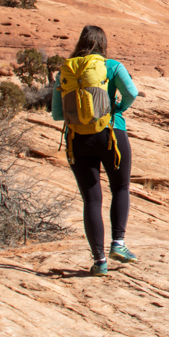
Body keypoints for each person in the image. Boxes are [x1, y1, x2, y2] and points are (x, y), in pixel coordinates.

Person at [52, 26, 139, 277]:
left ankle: (99, 261)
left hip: (77, 140)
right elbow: (132, 93)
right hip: (111, 134)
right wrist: (119, 108)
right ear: (103, 43)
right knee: (120, 188)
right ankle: (118, 245)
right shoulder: (111, 66)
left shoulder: (65, 71)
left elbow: (58, 114)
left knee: (92, 199)